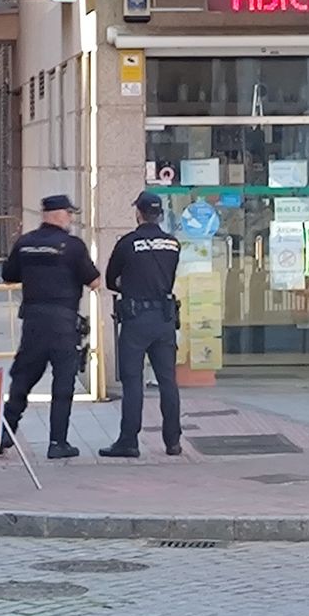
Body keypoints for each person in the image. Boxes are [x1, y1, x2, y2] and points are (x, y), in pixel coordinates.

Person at [0, 194, 101, 460]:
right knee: (63, 383)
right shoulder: (72, 246)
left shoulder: (25, 243)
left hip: (33, 322)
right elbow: (95, 281)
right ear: (57, 214)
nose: (72, 218)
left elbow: (8, 276)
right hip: (63, 323)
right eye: (69, 213)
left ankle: (6, 433)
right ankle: (57, 443)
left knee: (22, 379)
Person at [99, 190, 183, 458]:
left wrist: (130, 284)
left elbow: (111, 279)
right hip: (165, 318)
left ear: (138, 213)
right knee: (168, 381)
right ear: (158, 214)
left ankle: (128, 441)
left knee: (133, 382)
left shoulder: (128, 243)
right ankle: (173, 441)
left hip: (136, 319)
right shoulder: (173, 244)